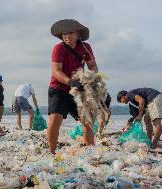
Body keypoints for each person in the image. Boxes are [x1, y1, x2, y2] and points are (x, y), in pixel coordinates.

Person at [48, 19, 98, 154]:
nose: (67, 36)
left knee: (87, 121)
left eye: (70, 33)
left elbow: (93, 66)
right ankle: (51, 153)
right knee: (54, 122)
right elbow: (56, 71)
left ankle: (90, 153)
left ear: (78, 34)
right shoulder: (58, 48)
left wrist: (89, 78)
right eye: (64, 34)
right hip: (59, 88)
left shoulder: (85, 47)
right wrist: (70, 82)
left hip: (78, 90)